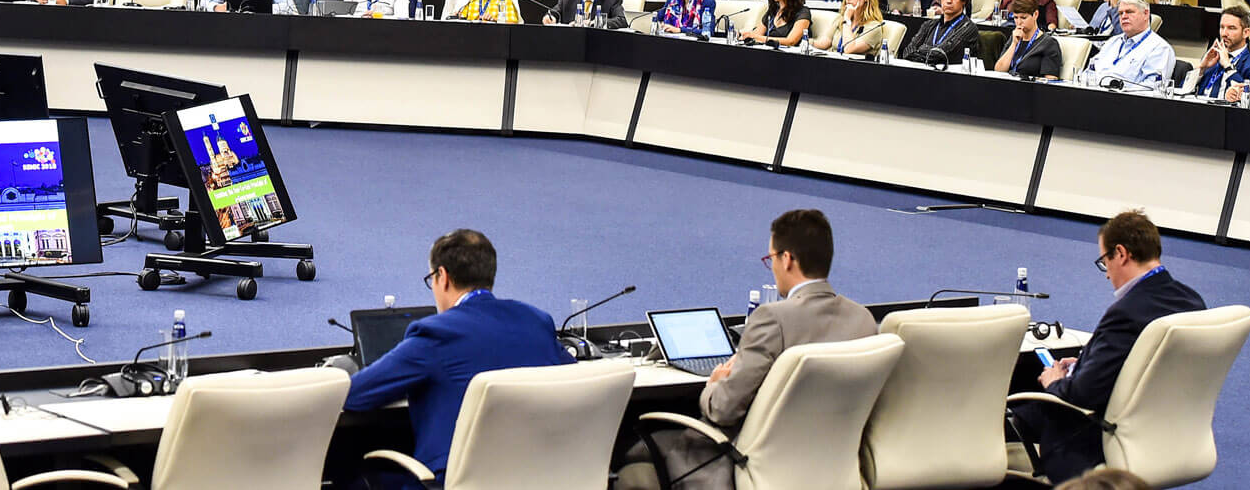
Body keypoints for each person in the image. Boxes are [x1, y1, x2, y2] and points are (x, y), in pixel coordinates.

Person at [623, 210, 875, 490]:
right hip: (835, 469)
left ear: (787, 259)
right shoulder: (862, 319)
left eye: (771, 259)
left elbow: (723, 410)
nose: (773, 267)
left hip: (748, 463)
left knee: (636, 453)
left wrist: (713, 386)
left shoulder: (772, 319)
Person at [339, 229, 570, 481]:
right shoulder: (536, 321)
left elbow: (354, 395)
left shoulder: (435, 333)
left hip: (454, 480)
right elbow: (582, 377)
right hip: (539, 476)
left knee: (352, 474)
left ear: (443, 277)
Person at [1010, 211, 1204, 483]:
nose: (1106, 275)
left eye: (1104, 261)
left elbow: (1082, 394)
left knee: (1014, 411)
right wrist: (1082, 364)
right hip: (1167, 431)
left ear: (1121, 254)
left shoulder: (1126, 313)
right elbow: (1146, 363)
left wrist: (1055, 381)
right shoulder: (1192, 302)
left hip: (1095, 439)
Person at [1080, 0, 1175, 90]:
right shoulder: (1112, 42)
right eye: (1121, 13)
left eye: (1129, 12)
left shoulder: (1159, 48)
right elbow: (1089, 72)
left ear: (1146, 14)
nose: (1124, 16)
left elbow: (1153, 87)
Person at [1186, 6, 1250, 99]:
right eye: (1222, 27)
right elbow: (1182, 90)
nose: (1224, 33)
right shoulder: (1213, 56)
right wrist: (1201, 68)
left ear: (1246, 32)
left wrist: (1228, 67)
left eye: (1231, 28)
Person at [901, 0, 981, 63]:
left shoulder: (968, 28)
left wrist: (922, 49)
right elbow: (907, 52)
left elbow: (941, 55)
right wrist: (928, 52)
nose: (949, 1)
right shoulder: (929, 24)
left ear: (964, 0)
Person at [814, 0, 886, 56]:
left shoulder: (873, 27)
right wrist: (805, 41)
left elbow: (848, 48)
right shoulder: (840, 19)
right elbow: (824, 43)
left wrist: (847, 20)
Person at [995, 0, 1063, 79]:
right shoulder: (1014, 38)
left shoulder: (1049, 44)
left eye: (1023, 18)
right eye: (1016, 17)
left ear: (1035, 15)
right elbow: (998, 70)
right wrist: (1014, 44)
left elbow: (1050, 80)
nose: (1019, 22)